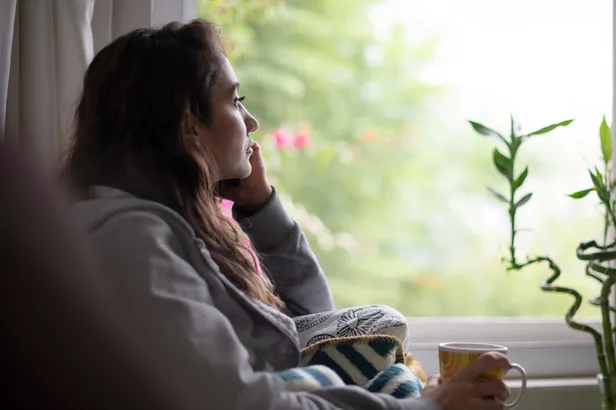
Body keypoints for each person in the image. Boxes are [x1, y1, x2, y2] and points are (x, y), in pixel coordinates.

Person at [61, 19, 511, 410]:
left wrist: (261, 210)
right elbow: (237, 401)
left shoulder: (162, 230)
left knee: (376, 324)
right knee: (383, 349)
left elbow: (305, 340)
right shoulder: (133, 243)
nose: (251, 121)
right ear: (189, 125)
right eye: (235, 100)